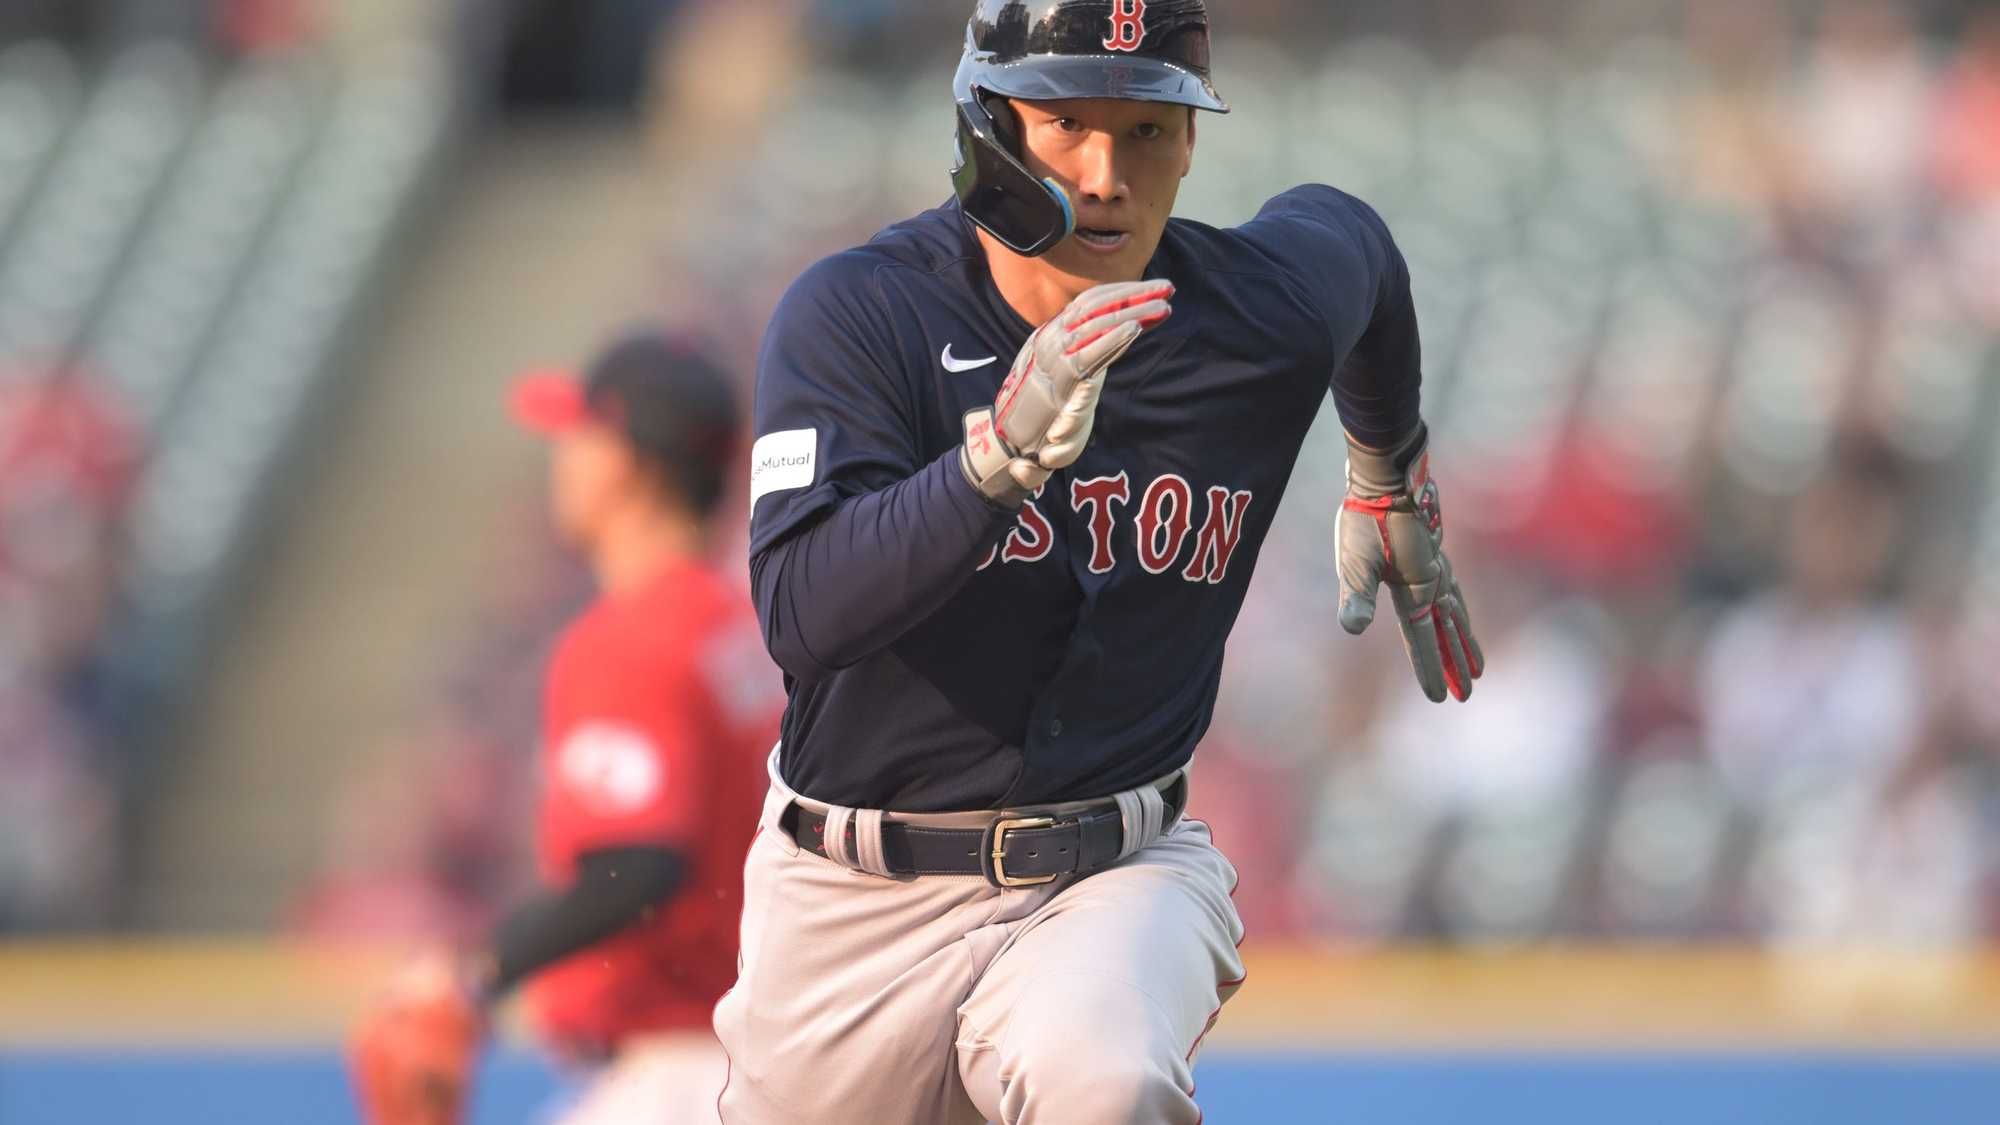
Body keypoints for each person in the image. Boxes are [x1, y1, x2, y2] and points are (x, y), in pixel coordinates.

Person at [721, 2, 1483, 1122]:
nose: (1106, 175)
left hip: (1113, 873)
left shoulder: (1251, 314)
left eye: (1146, 129)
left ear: (1190, 141)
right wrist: (991, 466)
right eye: (1066, 123)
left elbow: (1356, 246)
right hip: (851, 899)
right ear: (987, 129)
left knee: (1104, 1077)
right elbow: (801, 611)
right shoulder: (863, 314)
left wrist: (1388, 464)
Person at [348, 329, 780, 1125]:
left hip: (678, 1068)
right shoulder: (741, 625)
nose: (562, 456)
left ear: (630, 463)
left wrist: (474, 975)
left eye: (580, 433)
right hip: (756, 1059)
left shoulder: (632, 637)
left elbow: (639, 863)